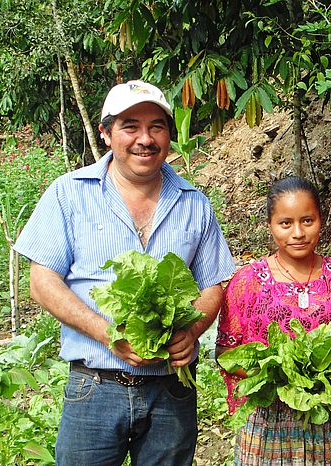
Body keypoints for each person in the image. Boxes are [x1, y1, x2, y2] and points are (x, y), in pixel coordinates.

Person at [14, 80, 235, 466]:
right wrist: (108, 334)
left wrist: (191, 331)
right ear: (106, 133)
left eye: (156, 126)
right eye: (130, 126)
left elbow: (214, 283)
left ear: (169, 133)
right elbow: (42, 281)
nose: (144, 139)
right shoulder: (69, 194)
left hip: (171, 391)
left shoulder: (194, 204)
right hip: (94, 387)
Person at [215, 176, 331, 465]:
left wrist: (321, 374)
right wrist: (280, 377)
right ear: (270, 226)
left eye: (307, 220)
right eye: (286, 223)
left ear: (321, 220)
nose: (298, 232)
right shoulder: (247, 282)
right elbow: (226, 353)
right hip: (268, 422)